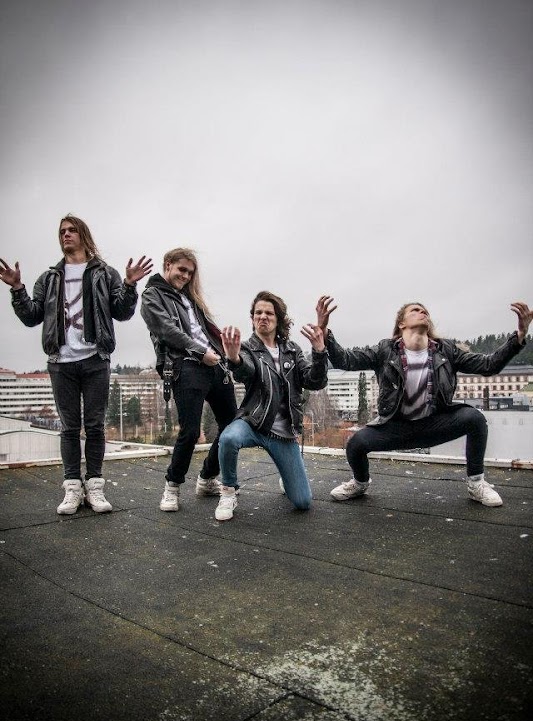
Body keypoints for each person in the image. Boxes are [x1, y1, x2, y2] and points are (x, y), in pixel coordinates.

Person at [0, 214, 153, 515]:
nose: (66, 235)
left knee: (95, 426)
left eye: (71, 230)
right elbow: (32, 316)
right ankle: (72, 487)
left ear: (83, 235)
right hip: (61, 362)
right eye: (62, 231)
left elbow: (122, 312)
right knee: (69, 428)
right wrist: (17, 289)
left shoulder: (104, 273)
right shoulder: (49, 278)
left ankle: (94, 486)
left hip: (95, 359)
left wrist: (129, 285)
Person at [315, 296, 532, 507]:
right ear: (401, 323)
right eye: (415, 310)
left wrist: (520, 336)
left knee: (475, 419)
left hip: (434, 424)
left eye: (425, 311)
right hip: (396, 427)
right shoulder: (385, 350)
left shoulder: (446, 350)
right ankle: (360, 483)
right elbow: (345, 360)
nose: (423, 312)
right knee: (355, 444)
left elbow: (489, 365)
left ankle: (476, 484)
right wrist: (325, 331)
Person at [214, 290, 328, 522]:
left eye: (269, 313)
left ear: (278, 319)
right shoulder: (247, 348)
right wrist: (234, 359)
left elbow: (314, 382)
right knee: (228, 438)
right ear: (252, 318)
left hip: (283, 433)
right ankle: (228, 491)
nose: (263, 317)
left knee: (303, 502)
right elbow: (246, 371)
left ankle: (287, 477)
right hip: (254, 422)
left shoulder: (292, 350)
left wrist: (319, 352)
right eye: (258, 313)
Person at [141, 248, 237, 511]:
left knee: (232, 425)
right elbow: (166, 330)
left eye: (190, 273)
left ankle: (207, 478)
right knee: (191, 431)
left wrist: (226, 354)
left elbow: (207, 331)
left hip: (215, 363)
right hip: (186, 365)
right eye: (181, 269)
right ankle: (172, 487)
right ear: (168, 265)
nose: (185, 276)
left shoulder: (191, 298)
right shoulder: (152, 295)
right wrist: (199, 352)